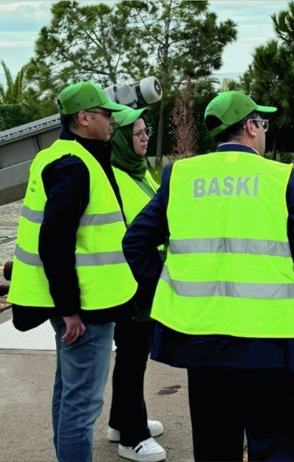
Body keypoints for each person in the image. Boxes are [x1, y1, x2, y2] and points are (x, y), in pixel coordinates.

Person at [122, 90, 294, 461]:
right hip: (274, 343)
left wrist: (165, 286)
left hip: (203, 344)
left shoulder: (181, 176)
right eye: (263, 123)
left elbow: (136, 242)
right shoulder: (286, 180)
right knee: (274, 447)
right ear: (251, 126)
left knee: (215, 449)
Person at [7, 82, 138, 462]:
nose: (113, 120)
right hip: (86, 309)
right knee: (82, 405)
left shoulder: (58, 156)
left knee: (67, 395)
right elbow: (54, 241)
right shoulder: (74, 166)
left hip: (80, 302)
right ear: (83, 118)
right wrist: (69, 310)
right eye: (106, 114)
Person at [107, 107, 166, 462]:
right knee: (131, 358)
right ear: (121, 140)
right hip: (130, 283)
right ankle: (133, 436)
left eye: (146, 131)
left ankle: (120, 421)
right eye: (138, 133)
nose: (144, 138)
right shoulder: (114, 179)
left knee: (134, 357)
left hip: (143, 279)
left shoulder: (140, 173)